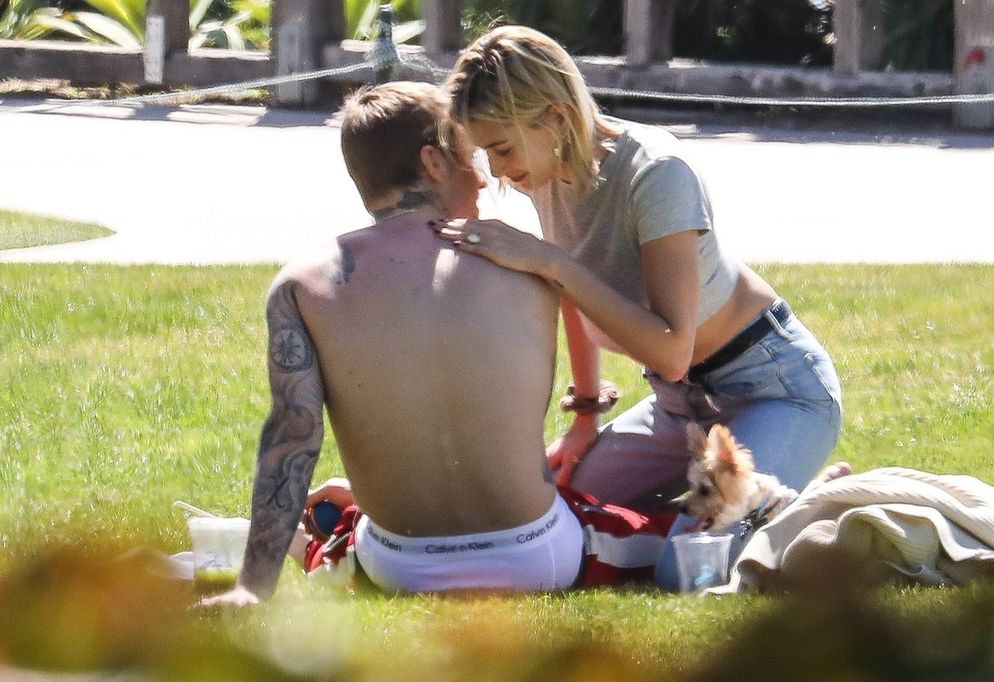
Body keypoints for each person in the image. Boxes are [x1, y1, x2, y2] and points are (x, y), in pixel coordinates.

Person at [200, 81, 668, 603]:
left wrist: (252, 589)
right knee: (680, 531)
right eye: (472, 156)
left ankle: (302, 541)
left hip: (398, 564)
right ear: (434, 162)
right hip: (536, 554)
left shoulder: (301, 285)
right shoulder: (526, 260)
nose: (485, 177)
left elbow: (293, 436)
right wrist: (586, 410)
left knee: (349, 532)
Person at [437, 25, 843, 511]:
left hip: (773, 388)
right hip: (679, 405)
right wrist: (585, 416)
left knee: (697, 551)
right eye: (486, 153)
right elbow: (575, 293)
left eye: (502, 149)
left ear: (556, 116)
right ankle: (778, 506)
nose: (498, 171)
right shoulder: (545, 173)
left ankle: (810, 506)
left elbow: (671, 351)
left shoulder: (657, 173)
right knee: (561, 512)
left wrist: (550, 262)